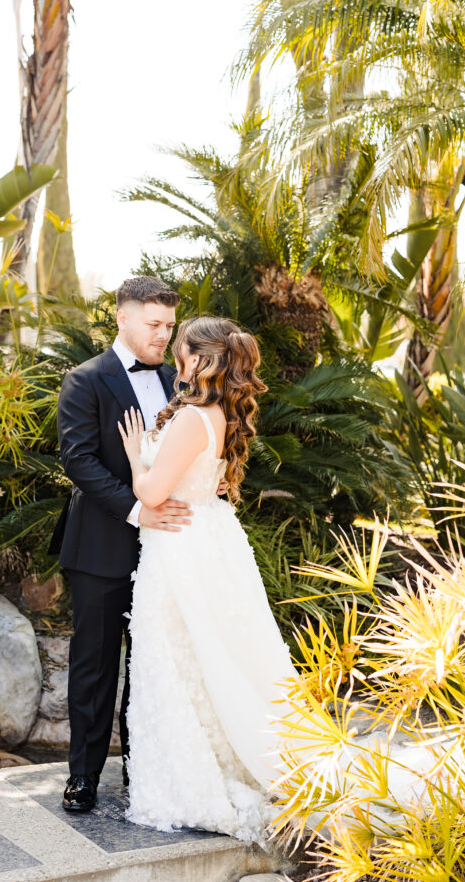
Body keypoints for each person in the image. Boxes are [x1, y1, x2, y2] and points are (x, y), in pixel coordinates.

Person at [117, 315, 300, 843]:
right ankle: (228, 758)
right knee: (208, 658)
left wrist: (135, 458)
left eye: (182, 351)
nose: (177, 360)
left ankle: (195, 779)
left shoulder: (193, 417)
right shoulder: (220, 414)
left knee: (176, 661)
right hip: (206, 539)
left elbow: (152, 494)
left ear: (199, 360)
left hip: (180, 551)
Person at [50, 275, 194, 814]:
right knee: (95, 665)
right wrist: (140, 511)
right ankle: (83, 776)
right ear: (123, 318)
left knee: (151, 664)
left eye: (169, 326)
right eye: (154, 324)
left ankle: (143, 772)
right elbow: (79, 461)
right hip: (101, 549)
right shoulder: (84, 380)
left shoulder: (180, 383)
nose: (163, 335)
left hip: (165, 553)